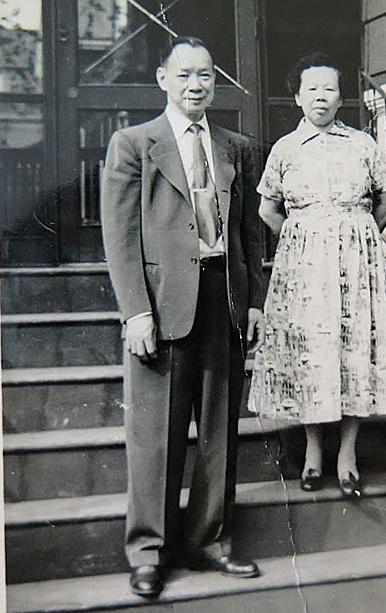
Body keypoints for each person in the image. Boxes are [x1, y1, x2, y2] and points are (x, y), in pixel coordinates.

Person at [101, 36, 265, 598]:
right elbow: (120, 239)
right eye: (186, 74)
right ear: (163, 79)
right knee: (155, 436)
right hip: (162, 304)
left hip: (223, 300)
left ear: (215, 83)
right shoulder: (133, 144)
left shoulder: (235, 147)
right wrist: (135, 312)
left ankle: (210, 540)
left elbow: (249, 233)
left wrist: (254, 301)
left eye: (206, 75)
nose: (196, 85)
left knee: (219, 431)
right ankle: (149, 550)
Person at [248, 52, 386, 498]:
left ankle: (347, 454)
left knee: (353, 352)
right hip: (304, 268)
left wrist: (360, 235)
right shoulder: (285, 149)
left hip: (356, 265)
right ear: (297, 98)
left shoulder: (363, 145)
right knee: (311, 353)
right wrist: (302, 237)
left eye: (329, 88)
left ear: (340, 97)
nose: (320, 96)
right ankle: (313, 452)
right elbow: (267, 208)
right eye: (311, 89)